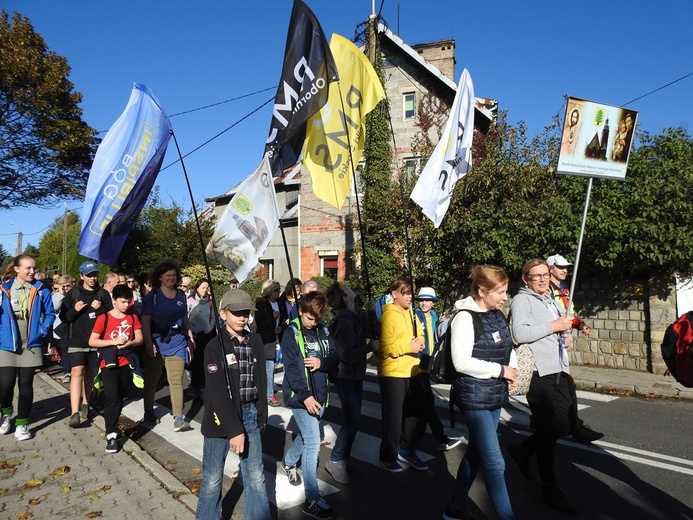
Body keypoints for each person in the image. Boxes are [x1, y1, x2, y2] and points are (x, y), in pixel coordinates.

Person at [507, 258, 582, 514]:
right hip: (540, 373)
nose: (542, 279)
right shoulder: (522, 300)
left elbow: (556, 330)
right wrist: (554, 326)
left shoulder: (550, 299)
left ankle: (524, 449)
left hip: (560, 368)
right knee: (551, 429)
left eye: (544, 275)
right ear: (526, 278)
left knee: (569, 424)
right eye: (535, 276)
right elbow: (519, 333)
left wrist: (565, 335)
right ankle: (549, 487)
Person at [443, 266, 518, 520]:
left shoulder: (497, 313)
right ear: (482, 290)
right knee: (495, 462)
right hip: (473, 397)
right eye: (500, 292)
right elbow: (460, 362)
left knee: (476, 452)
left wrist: (514, 369)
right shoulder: (465, 317)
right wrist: (501, 370)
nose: (505, 297)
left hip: (494, 394)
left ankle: (454, 507)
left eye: (506, 291)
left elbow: (508, 347)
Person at [195, 289, 270, 520]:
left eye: (246, 312)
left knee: (255, 475)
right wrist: (234, 430)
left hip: (249, 413)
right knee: (212, 478)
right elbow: (216, 392)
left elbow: (261, 381)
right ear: (223, 313)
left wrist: (260, 416)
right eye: (236, 312)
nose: (242, 317)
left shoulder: (254, 341)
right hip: (222, 417)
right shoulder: (214, 346)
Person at [281, 292, 338, 519]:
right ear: (301, 312)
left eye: (318, 318)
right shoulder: (291, 332)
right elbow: (291, 368)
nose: (314, 322)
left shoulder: (323, 330)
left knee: (306, 437)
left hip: (321, 395)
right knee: (313, 441)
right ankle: (312, 498)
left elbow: (334, 356)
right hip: (300, 397)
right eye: (310, 318)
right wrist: (304, 396)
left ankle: (288, 462)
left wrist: (321, 362)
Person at [546, 254, 603, 445]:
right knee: (559, 386)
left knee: (561, 385)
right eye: (560, 267)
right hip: (551, 344)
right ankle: (572, 427)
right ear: (550, 268)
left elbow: (570, 315)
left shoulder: (564, 290)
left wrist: (580, 326)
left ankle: (556, 423)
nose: (565, 270)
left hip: (562, 345)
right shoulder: (544, 291)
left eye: (566, 267)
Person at [0, 255, 55, 441]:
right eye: (28, 268)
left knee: (26, 385)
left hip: (31, 342)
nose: (32, 271)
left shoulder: (41, 290)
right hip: (7, 343)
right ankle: (6, 414)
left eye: (34, 268)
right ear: (17, 269)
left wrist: (42, 329)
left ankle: (22, 424)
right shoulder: (3, 289)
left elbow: (50, 314)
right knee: (5, 384)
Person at [378, 277, 428, 472]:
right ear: (394, 294)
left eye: (410, 293)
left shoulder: (413, 315)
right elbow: (384, 348)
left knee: (417, 412)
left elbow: (420, 335)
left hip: (413, 370)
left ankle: (407, 449)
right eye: (405, 293)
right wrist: (409, 347)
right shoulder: (388, 316)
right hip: (393, 372)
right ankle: (387, 455)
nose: (409, 297)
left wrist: (420, 342)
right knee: (393, 417)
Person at [88, 284, 143, 453]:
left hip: (126, 362)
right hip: (109, 364)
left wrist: (129, 343)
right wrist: (113, 342)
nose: (127, 305)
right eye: (123, 302)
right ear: (114, 301)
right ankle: (110, 434)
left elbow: (140, 338)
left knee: (119, 397)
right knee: (111, 397)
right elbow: (92, 341)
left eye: (129, 302)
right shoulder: (103, 318)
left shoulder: (132, 317)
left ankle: (114, 428)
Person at [141, 261, 195, 432]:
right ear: (160, 277)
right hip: (157, 343)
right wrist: (149, 343)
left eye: (173, 275)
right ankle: (148, 411)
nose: (171, 278)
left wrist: (190, 336)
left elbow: (185, 317)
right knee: (152, 380)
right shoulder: (153, 296)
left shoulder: (180, 295)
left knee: (176, 381)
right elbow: (145, 321)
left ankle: (178, 418)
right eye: (168, 275)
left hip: (177, 342)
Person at [61, 261, 113, 428]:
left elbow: (110, 318)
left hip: (96, 341)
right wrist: (75, 310)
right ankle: (74, 412)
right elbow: (64, 318)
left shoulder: (103, 294)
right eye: (89, 275)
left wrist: (99, 310)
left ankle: (86, 403)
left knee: (90, 372)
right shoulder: (73, 294)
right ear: (81, 276)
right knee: (77, 371)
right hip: (76, 339)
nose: (93, 278)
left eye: (95, 274)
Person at [324, 283, 366, 485]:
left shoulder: (353, 315)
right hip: (346, 374)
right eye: (347, 289)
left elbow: (371, 328)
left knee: (354, 419)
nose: (351, 288)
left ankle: (343, 459)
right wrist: (368, 348)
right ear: (346, 298)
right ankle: (336, 459)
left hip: (354, 374)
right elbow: (348, 355)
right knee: (353, 419)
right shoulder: (345, 322)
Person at [414, 286, 462, 452]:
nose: (423, 303)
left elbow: (437, 337)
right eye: (421, 300)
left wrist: (441, 324)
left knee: (424, 404)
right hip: (417, 364)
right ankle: (438, 438)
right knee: (426, 404)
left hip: (430, 364)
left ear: (433, 303)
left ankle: (414, 440)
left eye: (427, 300)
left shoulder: (435, 316)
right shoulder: (414, 315)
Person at [188, 279, 217, 400]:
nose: (205, 290)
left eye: (206, 288)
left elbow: (214, 317)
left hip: (207, 335)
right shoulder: (190, 301)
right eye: (202, 287)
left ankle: (203, 386)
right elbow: (187, 317)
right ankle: (195, 387)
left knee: (205, 361)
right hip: (194, 336)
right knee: (196, 362)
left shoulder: (210, 302)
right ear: (197, 288)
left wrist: (209, 327)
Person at [255, 280, 282, 407]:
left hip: (276, 338)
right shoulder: (262, 304)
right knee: (269, 367)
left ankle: (268, 392)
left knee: (271, 367)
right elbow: (260, 323)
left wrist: (280, 326)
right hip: (265, 341)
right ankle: (269, 395)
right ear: (269, 291)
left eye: (279, 289)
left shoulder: (279, 302)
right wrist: (273, 318)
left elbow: (283, 319)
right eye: (276, 290)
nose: (278, 292)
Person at [52, 275, 73, 384]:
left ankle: (69, 372)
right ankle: (67, 372)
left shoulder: (75, 295)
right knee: (64, 351)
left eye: (68, 286)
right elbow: (55, 307)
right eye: (63, 286)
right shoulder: (56, 296)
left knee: (69, 351)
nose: (66, 288)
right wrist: (61, 293)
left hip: (73, 328)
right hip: (60, 329)